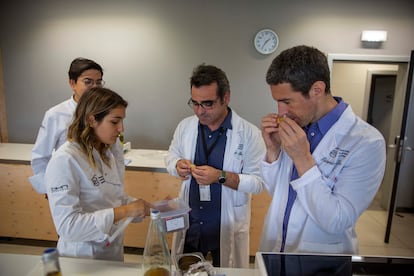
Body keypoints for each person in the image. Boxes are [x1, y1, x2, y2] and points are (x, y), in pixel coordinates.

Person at [260, 45, 386, 254]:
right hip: (275, 248)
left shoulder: (367, 142)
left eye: (286, 101)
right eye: (277, 102)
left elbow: (338, 220)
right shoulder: (297, 128)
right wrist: (273, 151)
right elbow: (277, 191)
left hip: (319, 260)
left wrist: (303, 159)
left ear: (317, 90)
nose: (280, 111)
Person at [165, 64, 265, 268]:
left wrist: (220, 176)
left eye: (208, 104)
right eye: (195, 103)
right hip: (192, 223)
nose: (200, 111)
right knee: (185, 269)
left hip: (227, 225)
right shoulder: (186, 127)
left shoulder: (249, 134)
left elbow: (258, 183)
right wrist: (177, 165)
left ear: (226, 98)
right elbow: (171, 156)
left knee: (227, 272)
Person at [44, 87, 151, 261]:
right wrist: (125, 211)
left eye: (122, 121)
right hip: (81, 256)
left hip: (110, 249)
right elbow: (68, 227)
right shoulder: (65, 160)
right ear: (92, 120)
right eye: (115, 122)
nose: (121, 128)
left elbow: (111, 198)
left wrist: (152, 208)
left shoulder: (104, 153)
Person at [30, 57, 104, 194]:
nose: (95, 87)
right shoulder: (56, 114)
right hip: (69, 184)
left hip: (100, 185)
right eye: (88, 82)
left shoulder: (105, 112)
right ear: (72, 83)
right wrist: (51, 188)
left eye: (98, 82)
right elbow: (40, 157)